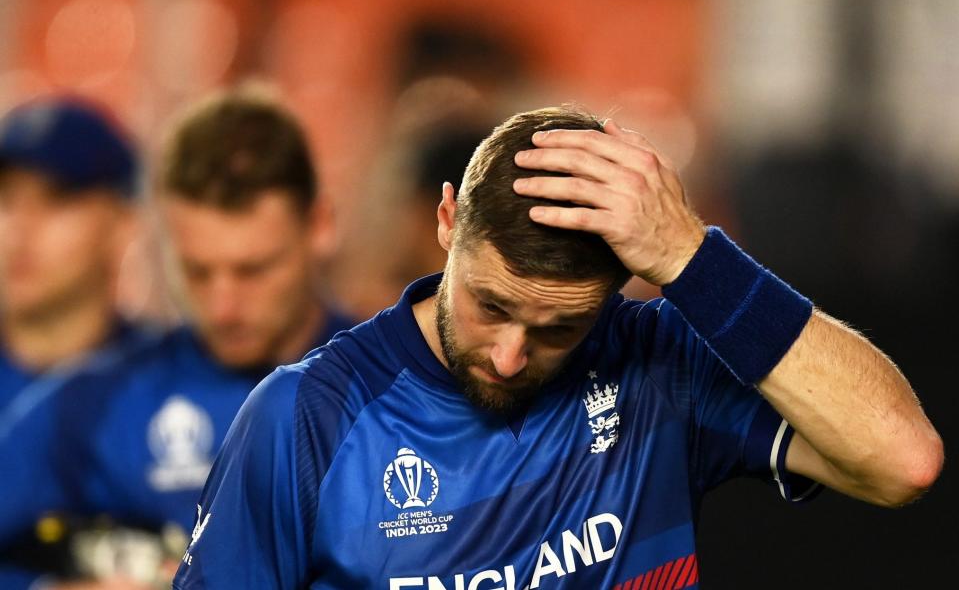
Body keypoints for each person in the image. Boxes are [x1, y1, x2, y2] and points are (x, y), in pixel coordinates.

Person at [173, 107, 942, 589]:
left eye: (557, 330)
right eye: (490, 306)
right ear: (447, 223)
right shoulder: (305, 416)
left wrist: (693, 260)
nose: (510, 357)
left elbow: (901, 460)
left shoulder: (658, 369)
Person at [0, 88, 354, 589]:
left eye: (253, 270)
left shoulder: (404, 388)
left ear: (319, 226)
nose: (224, 306)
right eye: (197, 273)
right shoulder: (94, 403)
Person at [0, 96, 144, 415]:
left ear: (122, 223)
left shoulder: (170, 386)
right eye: (6, 198)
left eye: (57, 199)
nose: (19, 229)